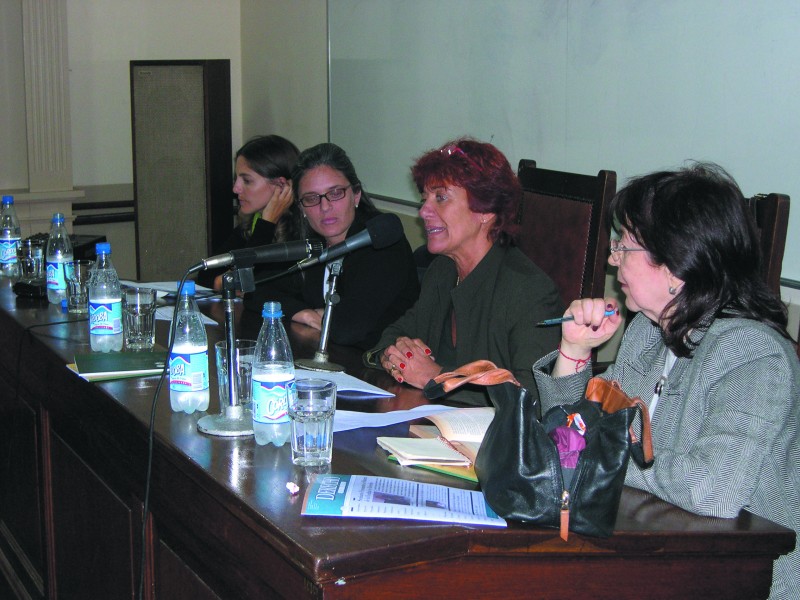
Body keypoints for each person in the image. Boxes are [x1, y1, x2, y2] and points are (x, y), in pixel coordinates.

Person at [532, 163, 799, 599]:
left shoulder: (753, 353)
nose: (612, 258)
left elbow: (712, 491)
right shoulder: (648, 331)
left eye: (625, 247)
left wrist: (597, 454)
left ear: (676, 266)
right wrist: (575, 351)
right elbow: (570, 434)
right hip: (653, 552)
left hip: (744, 580)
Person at [366, 138, 563, 406]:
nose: (423, 210)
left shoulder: (529, 290)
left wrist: (438, 377)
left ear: (485, 211)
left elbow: (534, 396)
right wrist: (395, 357)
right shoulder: (443, 270)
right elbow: (395, 333)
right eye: (425, 199)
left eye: (441, 197)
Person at [248, 142, 420, 350]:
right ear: (301, 207)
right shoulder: (314, 243)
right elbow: (255, 290)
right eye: (311, 198)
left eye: (336, 193)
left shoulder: (381, 243)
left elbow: (348, 329)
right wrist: (303, 313)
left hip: (378, 369)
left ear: (356, 195)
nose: (325, 206)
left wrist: (323, 315)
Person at [197, 134, 302, 290]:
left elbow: (259, 285)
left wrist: (267, 224)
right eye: (236, 179)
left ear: (281, 185)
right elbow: (204, 277)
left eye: (247, 181)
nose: (235, 189)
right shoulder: (252, 223)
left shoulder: (302, 229)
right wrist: (265, 224)